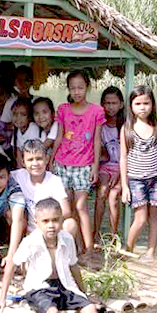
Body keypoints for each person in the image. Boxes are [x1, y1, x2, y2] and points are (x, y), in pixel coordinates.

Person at [0, 198, 105, 313]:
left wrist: (84, 293)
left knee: (90, 309)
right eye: (45, 221)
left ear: (61, 219)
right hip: (39, 288)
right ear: (36, 222)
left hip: (64, 284)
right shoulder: (30, 242)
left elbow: (74, 266)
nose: (51, 226)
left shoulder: (67, 238)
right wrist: (2, 298)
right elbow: (11, 266)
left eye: (55, 220)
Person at [51, 71, 105, 257]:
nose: (77, 92)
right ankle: (75, 246)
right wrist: (51, 161)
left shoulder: (97, 111)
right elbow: (59, 136)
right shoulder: (63, 109)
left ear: (87, 87)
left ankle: (89, 248)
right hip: (63, 163)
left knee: (81, 206)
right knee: (68, 209)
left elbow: (97, 140)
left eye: (80, 87)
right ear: (68, 89)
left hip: (84, 165)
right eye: (73, 88)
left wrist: (95, 167)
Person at [119, 85, 157, 261]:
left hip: (155, 178)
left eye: (146, 103)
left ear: (152, 105)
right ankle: (128, 249)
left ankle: (150, 252)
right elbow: (123, 158)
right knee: (140, 219)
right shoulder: (127, 129)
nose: (142, 107)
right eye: (138, 103)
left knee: (154, 217)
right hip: (136, 179)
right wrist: (124, 186)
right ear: (131, 106)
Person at [10, 140, 75, 235]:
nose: (35, 163)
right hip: (29, 230)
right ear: (23, 162)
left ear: (47, 159)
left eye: (39, 159)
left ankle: (61, 248)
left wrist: (45, 222)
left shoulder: (54, 180)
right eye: (30, 160)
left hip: (50, 228)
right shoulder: (18, 176)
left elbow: (66, 211)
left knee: (70, 224)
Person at [93, 86, 124, 244]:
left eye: (114, 103)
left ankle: (113, 236)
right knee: (102, 192)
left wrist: (120, 173)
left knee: (113, 197)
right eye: (107, 103)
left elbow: (128, 155)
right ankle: (95, 233)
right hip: (106, 167)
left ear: (121, 104)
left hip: (123, 169)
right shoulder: (101, 124)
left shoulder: (125, 125)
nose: (110, 107)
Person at [10, 98, 39, 167]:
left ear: (29, 117)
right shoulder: (17, 131)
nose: (18, 118)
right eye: (15, 114)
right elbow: (17, 151)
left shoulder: (33, 128)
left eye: (23, 114)